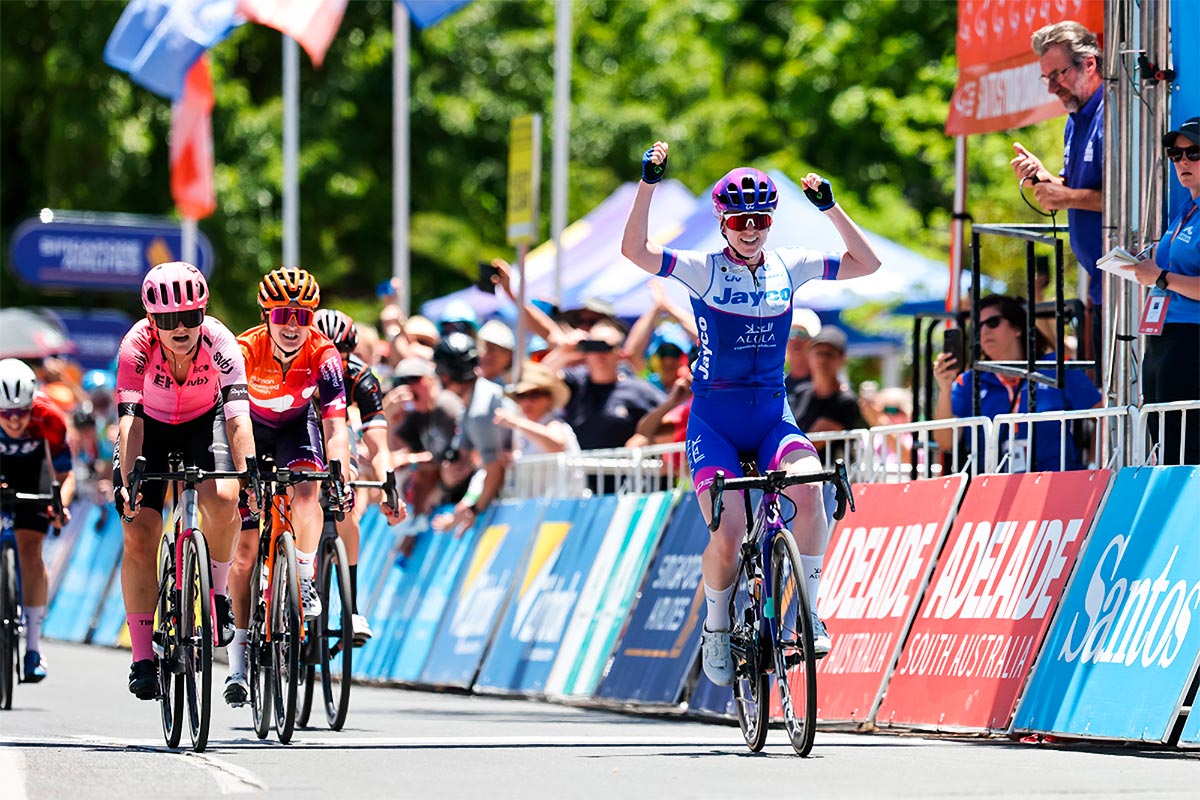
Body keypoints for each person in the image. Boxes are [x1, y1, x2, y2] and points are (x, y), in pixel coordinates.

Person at [621, 141, 882, 686]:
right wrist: (649, 183)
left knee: (811, 490)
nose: (751, 227)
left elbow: (867, 263)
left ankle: (807, 613)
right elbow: (636, 252)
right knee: (730, 528)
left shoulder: (791, 264)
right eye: (740, 217)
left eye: (761, 217)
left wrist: (831, 208)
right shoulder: (702, 269)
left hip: (772, 418)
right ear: (723, 221)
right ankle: (716, 628)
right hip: (715, 422)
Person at [113, 262, 255, 700]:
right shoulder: (135, 346)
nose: (181, 328)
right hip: (149, 427)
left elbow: (237, 418)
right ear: (153, 321)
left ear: (202, 315)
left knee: (224, 495)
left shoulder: (221, 342)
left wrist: (248, 472)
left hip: (203, 421)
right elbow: (129, 422)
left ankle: (217, 595)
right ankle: (141, 658)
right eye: (169, 320)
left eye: (190, 317)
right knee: (138, 532)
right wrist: (127, 478)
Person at [225, 268, 351, 707]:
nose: (293, 325)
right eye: (283, 315)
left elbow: (337, 425)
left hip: (297, 427)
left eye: (303, 315)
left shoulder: (325, 353)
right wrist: (245, 473)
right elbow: (233, 419)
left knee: (309, 491)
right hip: (249, 431)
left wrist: (340, 473)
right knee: (242, 553)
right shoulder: (243, 350)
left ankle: (302, 570)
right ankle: (237, 663)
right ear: (267, 316)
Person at [1009, 21, 1105, 363]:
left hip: (1127, 288)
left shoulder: (1114, 116)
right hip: (1098, 287)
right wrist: (1043, 178)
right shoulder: (1075, 118)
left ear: (1089, 64)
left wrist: (1066, 197)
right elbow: (1074, 189)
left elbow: (1130, 203)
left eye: (1058, 75)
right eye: (1046, 78)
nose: (1052, 88)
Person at [313, 309, 407, 644]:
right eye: (324, 354)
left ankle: (350, 609)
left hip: (340, 435)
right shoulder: (293, 372)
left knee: (346, 502)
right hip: (296, 432)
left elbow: (378, 446)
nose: (332, 365)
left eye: (340, 357)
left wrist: (390, 489)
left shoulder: (361, 377)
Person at [932, 294, 1101, 472]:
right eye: (977, 327)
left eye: (993, 323)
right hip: (993, 489)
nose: (984, 332)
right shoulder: (968, 382)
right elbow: (945, 443)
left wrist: (1093, 465)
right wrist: (944, 387)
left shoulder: (1058, 367)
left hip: (1055, 485)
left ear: (1017, 327)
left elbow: (1103, 417)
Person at [1122, 117, 1200, 464]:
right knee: (1166, 448)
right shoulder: (1186, 210)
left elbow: (1167, 275)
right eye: (1175, 154)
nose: (1183, 161)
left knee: (1186, 450)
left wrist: (1162, 277)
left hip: (1191, 341)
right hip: (1163, 338)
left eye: (1194, 153)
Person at [0, 359, 75, 683]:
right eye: (6, 414)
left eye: (21, 412)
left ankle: (32, 647)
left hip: (33, 476)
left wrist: (61, 506)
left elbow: (65, 475)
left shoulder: (49, 417)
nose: (15, 421)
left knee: (31, 549)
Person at [429, 332, 512, 533]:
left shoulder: (479, 412)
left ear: (445, 375)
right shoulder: (473, 402)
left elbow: (494, 470)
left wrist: (474, 510)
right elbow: (460, 458)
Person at [787, 327, 864, 451]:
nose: (822, 360)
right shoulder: (801, 392)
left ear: (842, 360)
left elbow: (811, 445)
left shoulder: (845, 401)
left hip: (829, 468)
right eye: (818, 353)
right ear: (809, 356)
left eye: (829, 354)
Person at [494, 361, 579, 457]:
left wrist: (517, 422)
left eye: (534, 395)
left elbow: (557, 446)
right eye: (521, 396)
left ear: (549, 400)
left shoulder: (555, 424)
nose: (527, 402)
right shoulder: (521, 431)